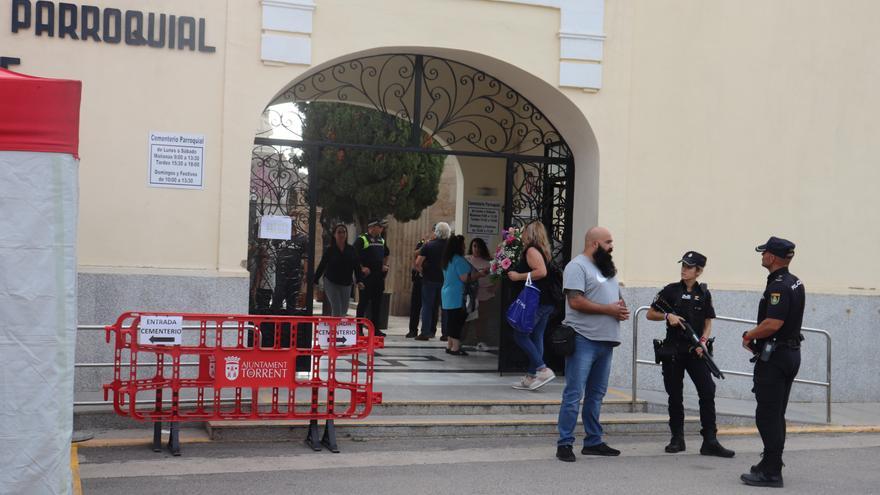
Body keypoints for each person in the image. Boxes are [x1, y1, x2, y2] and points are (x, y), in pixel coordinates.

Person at [646, 251, 735, 458]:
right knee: (675, 396)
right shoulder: (670, 291)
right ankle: (677, 438)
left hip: (695, 351)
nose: (684, 269)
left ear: (699, 271)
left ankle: (710, 440)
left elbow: (707, 322)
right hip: (674, 351)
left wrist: (702, 342)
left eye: (689, 266)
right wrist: (668, 316)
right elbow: (651, 314)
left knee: (707, 391)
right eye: (683, 265)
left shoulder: (704, 293)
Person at [556, 226, 628, 462]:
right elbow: (575, 301)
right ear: (594, 244)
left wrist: (620, 309)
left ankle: (593, 441)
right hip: (583, 339)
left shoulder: (607, 268)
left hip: (606, 341)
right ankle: (565, 443)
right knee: (574, 393)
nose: (612, 246)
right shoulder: (577, 266)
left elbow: (614, 297)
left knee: (596, 394)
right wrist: (608, 309)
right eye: (608, 242)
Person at [740, 236, 805, 488]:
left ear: (773, 257)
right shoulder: (794, 281)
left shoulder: (778, 286)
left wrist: (749, 335)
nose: (761, 256)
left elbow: (773, 324)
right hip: (789, 353)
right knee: (777, 413)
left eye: (764, 252)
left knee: (767, 415)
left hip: (776, 357)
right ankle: (770, 463)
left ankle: (772, 472)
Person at [507, 221, 557, 390]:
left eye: (525, 231)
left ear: (531, 233)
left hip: (537, 301)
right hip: (546, 300)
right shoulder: (543, 251)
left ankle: (543, 369)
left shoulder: (531, 250)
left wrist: (518, 276)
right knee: (536, 336)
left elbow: (541, 272)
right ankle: (530, 377)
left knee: (520, 334)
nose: (522, 235)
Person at [440, 235, 486, 355]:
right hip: (457, 294)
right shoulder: (459, 260)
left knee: (450, 321)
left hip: (446, 293)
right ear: (458, 246)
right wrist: (480, 274)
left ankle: (450, 345)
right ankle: (455, 348)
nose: (465, 246)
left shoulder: (447, 259)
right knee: (457, 322)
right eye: (463, 244)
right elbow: (465, 278)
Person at [314, 224, 360, 317]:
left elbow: (356, 266)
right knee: (336, 308)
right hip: (331, 282)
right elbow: (322, 265)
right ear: (334, 235)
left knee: (344, 309)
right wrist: (315, 280)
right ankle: (334, 330)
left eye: (344, 232)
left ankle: (337, 328)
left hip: (346, 283)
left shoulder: (351, 249)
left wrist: (359, 280)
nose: (342, 234)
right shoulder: (330, 250)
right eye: (339, 232)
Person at [414, 222, 450, 341]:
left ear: (436, 232)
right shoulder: (451, 246)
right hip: (446, 280)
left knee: (427, 306)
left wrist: (422, 272)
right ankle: (445, 334)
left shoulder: (429, 245)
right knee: (445, 307)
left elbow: (418, 263)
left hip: (429, 279)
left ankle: (425, 332)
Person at [355, 219, 390, 337]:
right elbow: (354, 256)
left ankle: (375, 329)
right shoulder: (362, 239)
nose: (381, 229)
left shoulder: (381, 240)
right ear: (372, 227)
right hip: (366, 277)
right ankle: (358, 329)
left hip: (378, 277)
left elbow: (386, 253)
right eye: (379, 227)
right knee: (363, 303)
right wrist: (361, 268)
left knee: (377, 304)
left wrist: (384, 265)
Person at [464, 237, 498, 349]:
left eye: (478, 246)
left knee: (482, 319)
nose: (476, 249)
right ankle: (461, 339)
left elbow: (497, 277)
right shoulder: (466, 259)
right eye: (474, 246)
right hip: (470, 294)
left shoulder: (489, 262)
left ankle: (481, 340)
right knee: (466, 318)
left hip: (485, 294)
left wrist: (495, 287)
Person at [406, 234, 430, 338]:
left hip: (431, 279)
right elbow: (415, 253)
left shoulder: (441, 244)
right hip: (419, 278)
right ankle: (412, 330)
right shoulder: (424, 243)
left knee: (430, 307)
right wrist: (425, 246)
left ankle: (429, 331)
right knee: (415, 305)